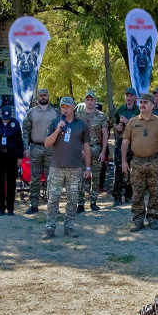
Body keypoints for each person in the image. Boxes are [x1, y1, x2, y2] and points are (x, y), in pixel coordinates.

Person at [42, 96, 91, 238]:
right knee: (53, 200)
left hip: (75, 168)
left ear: (74, 107)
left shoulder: (81, 124)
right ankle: (50, 228)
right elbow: (46, 143)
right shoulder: (54, 123)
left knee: (72, 199)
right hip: (57, 167)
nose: (65, 109)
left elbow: (87, 147)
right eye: (63, 106)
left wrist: (87, 168)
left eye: (68, 106)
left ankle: (69, 226)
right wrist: (57, 130)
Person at [122, 92, 158, 231]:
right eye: (141, 102)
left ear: (152, 105)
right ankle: (137, 220)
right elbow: (125, 142)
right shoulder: (132, 121)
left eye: (145, 103)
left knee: (155, 192)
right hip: (137, 162)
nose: (142, 105)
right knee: (137, 192)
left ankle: (153, 219)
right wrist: (124, 161)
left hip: (155, 161)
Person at [22, 88, 58, 214]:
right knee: (35, 177)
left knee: (52, 178)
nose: (43, 98)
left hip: (51, 148)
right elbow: (25, 131)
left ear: (48, 97)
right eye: (41, 96)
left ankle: (52, 205)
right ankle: (34, 204)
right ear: (37, 98)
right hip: (35, 147)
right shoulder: (31, 112)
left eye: (45, 96)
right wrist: (25, 147)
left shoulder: (55, 112)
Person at [75, 91, 108, 212]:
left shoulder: (101, 116)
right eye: (87, 99)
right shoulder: (78, 115)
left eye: (92, 99)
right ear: (85, 101)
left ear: (95, 101)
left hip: (96, 149)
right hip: (82, 150)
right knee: (81, 177)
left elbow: (105, 134)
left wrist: (103, 151)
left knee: (96, 176)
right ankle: (81, 203)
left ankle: (93, 201)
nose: (90, 102)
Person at [0, 105, 24, 215]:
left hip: (11, 154)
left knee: (11, 182)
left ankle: (11, 208)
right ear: (0, 114)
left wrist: (20, 157)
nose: (5, 120)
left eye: (7, 117)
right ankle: (1, 207)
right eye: (3, 117)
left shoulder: (15, 123)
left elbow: (19, 141)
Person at [112, 88, 139, 204]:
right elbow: (115, 122)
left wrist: (129, 122)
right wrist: (117, 127)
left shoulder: (138, 111)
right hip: (120, 143)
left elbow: (140, 127)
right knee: (119, 170)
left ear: (135, 98)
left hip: (134, 144)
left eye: (131, 96)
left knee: (133, 172)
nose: (129, 98)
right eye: (127, 96)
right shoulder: (121, 109)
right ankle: (117, 197)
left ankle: (129, 195)